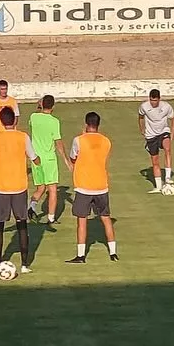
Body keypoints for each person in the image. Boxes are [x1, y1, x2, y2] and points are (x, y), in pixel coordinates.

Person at [0, 106, 40, 274]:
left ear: (2, 121)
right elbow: (34, 158)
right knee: (22, 225)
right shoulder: (23, 137)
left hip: (1, 187)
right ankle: (25, 264)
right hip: (19, 187)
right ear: (14, 120)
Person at [64, 112, 117, 263]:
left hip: (84, 186)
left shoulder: (79, 140)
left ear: (86, 124)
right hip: (101, 185)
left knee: (82, 220)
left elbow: (73, 157)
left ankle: (81, 255)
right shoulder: (106, 141)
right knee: (106, 218)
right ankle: (113, 252)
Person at [28, 94, 66, 223]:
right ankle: (51, 217)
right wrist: (66, 160)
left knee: (40, 188)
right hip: (49, 159)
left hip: (36, 158)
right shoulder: (54, 122)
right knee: (52, 189)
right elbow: (58, 142)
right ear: (53, 106)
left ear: (41, 104)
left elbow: (36, 113)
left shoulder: (33, 117)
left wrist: (39, 106)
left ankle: (31, 207)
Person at [138, 89, 174, 193]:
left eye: (155, 100)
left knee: (167, 149)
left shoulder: (166, 107)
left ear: (159, 99)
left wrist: (172, 134)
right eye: (151, 100)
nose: (153, 103)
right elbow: (140, 117)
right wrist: (142, 129)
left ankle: (167, 178)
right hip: (151, 135)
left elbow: (173, 120)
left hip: (164, 132)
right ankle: (158, 187)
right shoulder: (144, 107)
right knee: (155, 161)